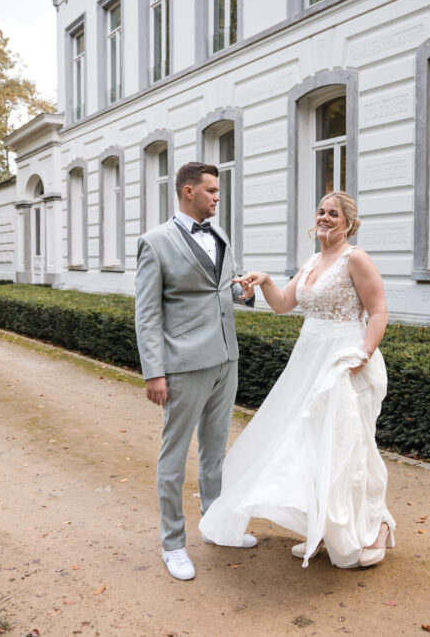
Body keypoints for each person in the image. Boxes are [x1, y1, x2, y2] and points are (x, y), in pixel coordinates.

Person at [199, 191, 396, 569]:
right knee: (308, 445)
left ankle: (375, 528)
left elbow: (378, 311)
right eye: (321, 211)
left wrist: (364, 354)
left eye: (333, 214)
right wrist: (266, 280)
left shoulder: (356, 259)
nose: (324, 218)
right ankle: (324, 527)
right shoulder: (312, 261)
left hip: (344, 362)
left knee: (346, 446)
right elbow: (285, 303)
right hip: (308, 361)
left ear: (349, 222)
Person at [134, 161, 257, 582]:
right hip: (183, 365)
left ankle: (216, 525)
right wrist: (154, 372)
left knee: (215, 452)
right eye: (211, 191)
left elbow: (222, 288)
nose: (217, 197)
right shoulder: (154, 243)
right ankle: (173, 545)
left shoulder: (219, 234)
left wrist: (244, 291)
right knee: (174, 455)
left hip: (226, 358)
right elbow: (147, 315)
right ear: (188, 191)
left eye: (218, 191)